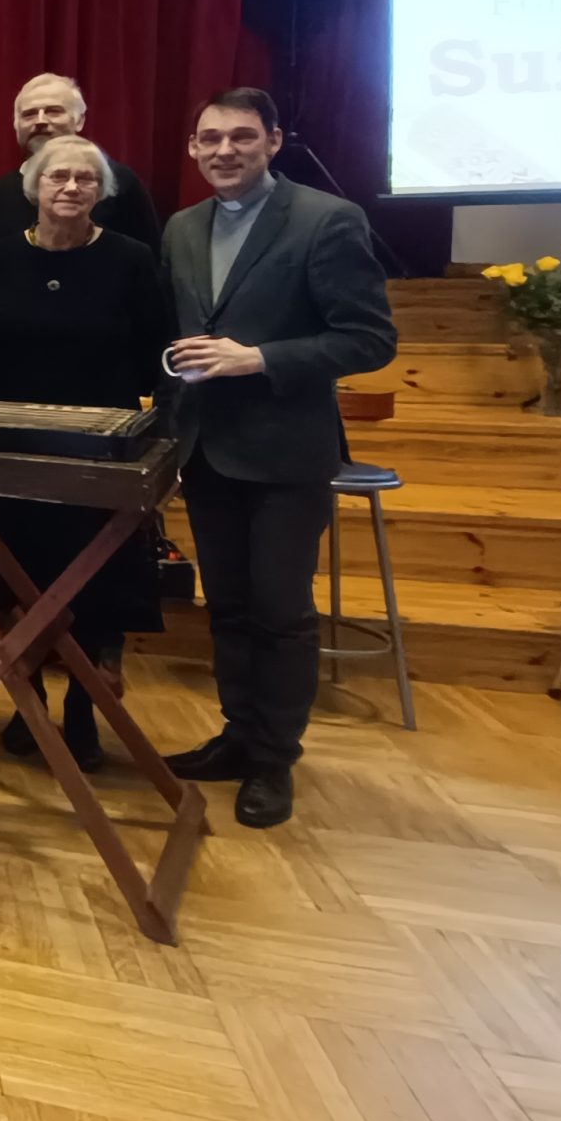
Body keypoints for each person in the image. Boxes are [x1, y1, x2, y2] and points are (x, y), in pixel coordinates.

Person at [157, 88, 395, 830]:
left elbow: (370, 339)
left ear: (273, 141)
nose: (224, 150)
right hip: (205, 450)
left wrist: (258, 358)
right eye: (209, 138)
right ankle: (238, 734)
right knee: (227, 606)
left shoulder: (327, 219)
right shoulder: (181, 227)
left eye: (241, 136)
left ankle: (273, 758)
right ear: (193, 149)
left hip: (286, 454)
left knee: (281, 612)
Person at [0, 135, 170, 769]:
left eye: (86, 179)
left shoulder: (131, 258)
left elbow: (154, 347)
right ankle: (27, 704)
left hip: (100, 444)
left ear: (101, 191)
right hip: (15, 442)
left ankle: (85, 710)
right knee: (20, 571)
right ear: (34, 186)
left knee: (96, 577)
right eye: (58, 176)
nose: (71, 187)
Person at [0, 74, 163, 251]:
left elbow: (147, 260)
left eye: (53, 111)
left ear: (79, 121)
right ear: (16, 125)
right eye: (29, 114)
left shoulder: (121, 183)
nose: (40, 121)